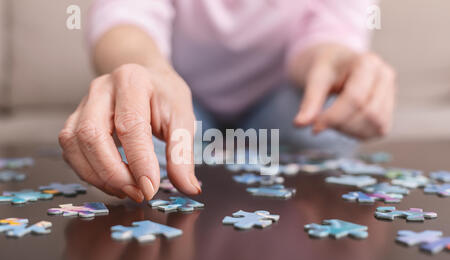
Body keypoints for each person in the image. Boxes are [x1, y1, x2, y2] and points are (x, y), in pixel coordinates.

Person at [59, 0, 396, 203]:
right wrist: (145, 71)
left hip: (278, 104)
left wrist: (337, 61)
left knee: (326, 118)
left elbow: (327, 34)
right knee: (136, 139)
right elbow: (126, 15)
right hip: (182, 98)